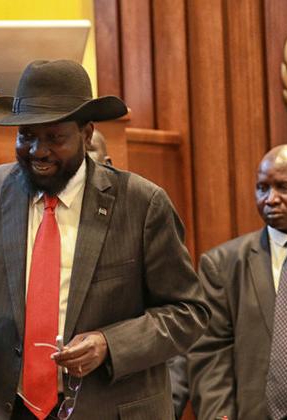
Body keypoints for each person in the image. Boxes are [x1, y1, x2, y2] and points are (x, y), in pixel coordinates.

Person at [0, 59, 209, 419]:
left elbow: (188, 312)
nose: (38, 150)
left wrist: (109, 343)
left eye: (54, 138)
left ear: (86, 134)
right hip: (4, 408)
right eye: (26, 135)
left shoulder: (142, 203)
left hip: (108, 408)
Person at [187, 144, 287, 419]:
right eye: (262, 188)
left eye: (284, 187)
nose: (270, 199)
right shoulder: (222, 264)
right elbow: (211, 354)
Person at [88, 127, 190, 420]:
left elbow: (180, 312)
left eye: (88, 150)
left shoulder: (144, 210)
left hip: (127, 403)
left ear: (108, 162)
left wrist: (166, 406)